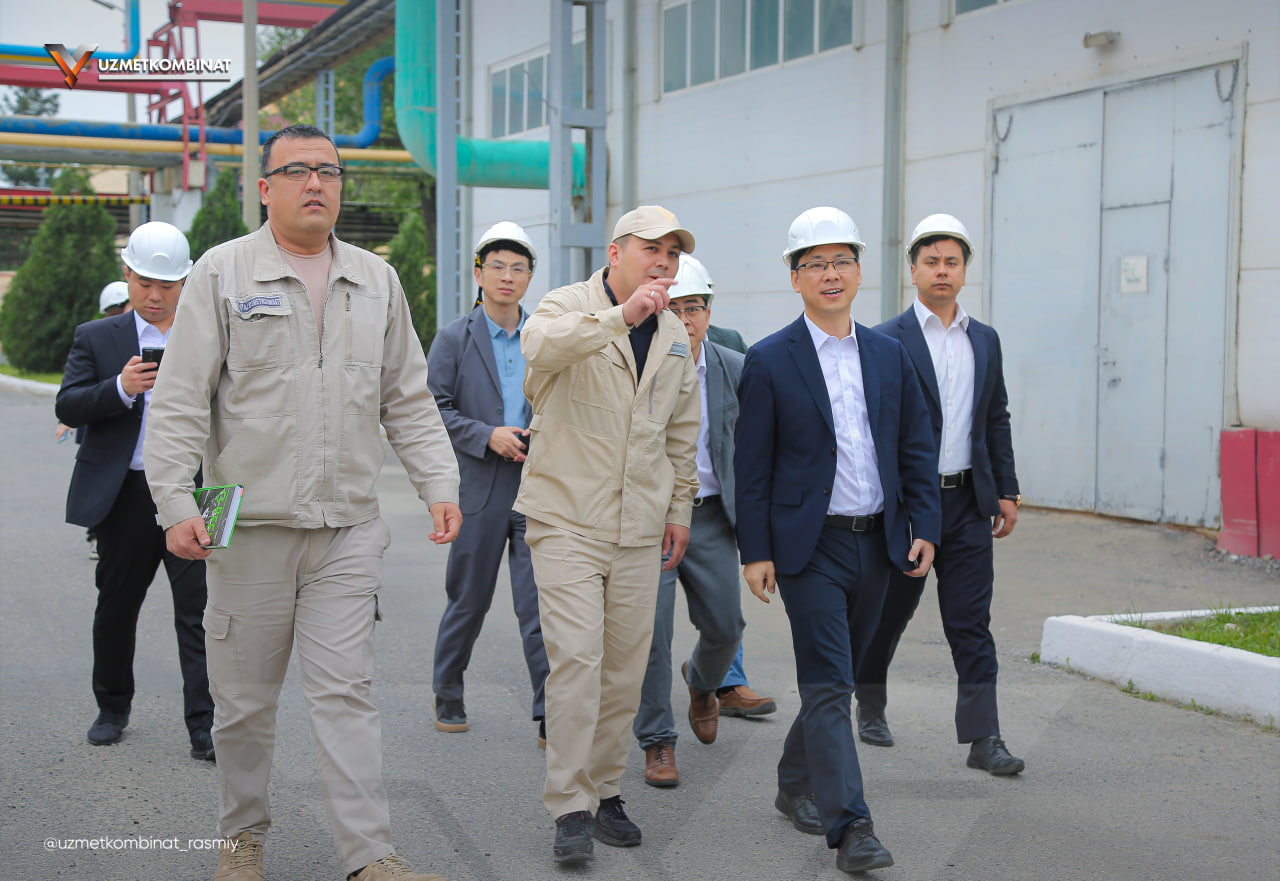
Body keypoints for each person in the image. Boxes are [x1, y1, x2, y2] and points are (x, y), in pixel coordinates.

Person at [143, 124, 461, 881]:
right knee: (244, 703)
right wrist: (174, 501)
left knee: (346, 694)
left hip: (346, 527)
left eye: (328, 170)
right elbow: (182, 398)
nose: (315, 183)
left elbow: (407, 398)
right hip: (244, 525)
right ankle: (241, 837)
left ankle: (369, 855)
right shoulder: (223, 273)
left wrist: (439, 483)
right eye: (296, 171)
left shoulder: (376, 281)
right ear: (265, 188)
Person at [734, 206, 941, 874]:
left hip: (878, 542)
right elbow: (751, 467)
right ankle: (852, 824)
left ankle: (794, 780)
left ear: (858, 271)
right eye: (816, 263)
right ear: (795, 277)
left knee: (839, 680)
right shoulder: (770, 360)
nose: (831, 274)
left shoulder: (889, 354)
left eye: (842, 261)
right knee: (828, 683)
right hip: (809, 548)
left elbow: (916, 448)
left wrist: (926, 526)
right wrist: (755, 551)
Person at [514, 205, 700, 865]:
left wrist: (679, 509)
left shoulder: (674, 333)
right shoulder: (568, 304)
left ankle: (605, 789)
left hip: (639, 525)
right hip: (566, 516)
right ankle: (569, 804)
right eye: (652, 249)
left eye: (673, 254)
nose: (663, 262)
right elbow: (539, 347)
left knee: (624, 669)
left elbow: (681, 430)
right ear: (616, 252)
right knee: (577, 660)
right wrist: (620, 317)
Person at [854, 214, 1024, 775]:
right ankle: (869, 700)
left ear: (965, 270)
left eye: (952, 262)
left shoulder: (984, 339)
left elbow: (994, 417)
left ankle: (984, 738)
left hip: (969, 502)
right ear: (913, 270)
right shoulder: (885, 340)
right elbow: (875, 428)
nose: (942, 271)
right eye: (931, 261)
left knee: (971, 622)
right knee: (889, 615)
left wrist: (1006, 490)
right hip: (908, 507)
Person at [54, 221, 215, 761]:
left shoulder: (210, 333)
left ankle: (205, 724)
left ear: (186, 282)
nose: (155, 295)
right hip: (126, 491)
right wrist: (119, 388)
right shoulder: (97, 337)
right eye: (145, 282)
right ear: (127, 275)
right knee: (117, 606)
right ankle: (112, 707)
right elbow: (67, 404)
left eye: (168, 285)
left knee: (203, 611)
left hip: (201, 490)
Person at [426, 221, 549, 745]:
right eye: (497, 266)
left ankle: (549, 709)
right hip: (479, 486)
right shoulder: (455, 338)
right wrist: (485, 435)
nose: (507, 276)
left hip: (537, 486)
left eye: (518, 268)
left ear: (529, 278)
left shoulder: (544, 335)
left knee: (539, 606)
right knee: (469, 598)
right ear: (478, 274)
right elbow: (432, 408)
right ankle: (448, 690)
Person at [634, 254, 745, 788]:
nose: (685, 318)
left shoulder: (735, 367)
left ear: (708, 312)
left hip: (712, 517)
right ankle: (657, 739)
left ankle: (702, 683)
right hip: (651, 520)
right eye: (674, 308)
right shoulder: (640, 363)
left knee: (726, 626)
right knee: (652, 635)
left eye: (694, 307)